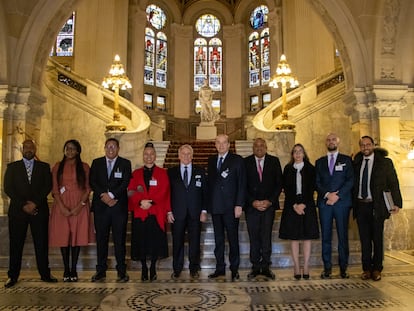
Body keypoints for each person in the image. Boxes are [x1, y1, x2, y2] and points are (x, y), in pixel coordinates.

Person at [4, 139, 57, 288]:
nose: (28, 149)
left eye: (31, 147)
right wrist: (23, 205)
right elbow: (8, 188)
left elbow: (47, 186)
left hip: (38, 210)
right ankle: (13, 276)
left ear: (35, 149)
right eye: (26, 147)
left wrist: (34, 203)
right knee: (16, 244)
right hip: (18, 212)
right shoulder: (12, 167)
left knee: (41, 243)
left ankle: (45, 274)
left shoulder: (44, 167)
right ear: (21, 150)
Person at [353, 135, 402, 281]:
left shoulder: (385, 163)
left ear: (373, 145)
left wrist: (397, 203)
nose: (365, 147)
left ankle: (377, 269)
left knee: (377, 238)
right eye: (362, 145)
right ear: (360, 147)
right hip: (361, 205)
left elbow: (393, 183)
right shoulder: (357, 162)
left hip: (377, 206)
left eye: (368, 144)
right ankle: (366, 269)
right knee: (365, 239)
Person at [49, 139, 92, 282]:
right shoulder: (57, 166)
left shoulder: (84, 167)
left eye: (73, 149)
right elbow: (55, 189)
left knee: (76, 238)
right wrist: (61, 207)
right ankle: (66, 268)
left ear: (78, 151)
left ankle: (74, 268)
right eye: (67, 148)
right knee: (64, 237)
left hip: (79, 205)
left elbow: (88, 188)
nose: (70, 151)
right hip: (61, 205)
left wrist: (79, 206)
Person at [89, 138, 131, 283]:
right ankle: (100, 271)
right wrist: (104, 196)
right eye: (108, 147)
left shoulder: (125, 163)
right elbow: (92, 181)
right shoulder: (96, 162)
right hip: (101, 207)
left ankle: (121, 271)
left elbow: (125, 182)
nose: (111, 149)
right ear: (104, 148)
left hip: (118, 207)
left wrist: (112, 195)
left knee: (120, 241)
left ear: (118, 148)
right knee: (101, 240)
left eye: (113, 147)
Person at [128, 142, 171, 281]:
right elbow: (131, 191)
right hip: (140, 212)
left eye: (151, 154)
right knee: (140, 241)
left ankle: (152, 267)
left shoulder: (162, 173)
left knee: (154, 242)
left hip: (155, 213)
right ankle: (144, 268)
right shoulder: (136, 173)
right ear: (143, 156)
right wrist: (140, 201)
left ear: (155, 156)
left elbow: (164, 191)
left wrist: (150, 202)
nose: (149, 156)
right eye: (146, 154)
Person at [207, 134, 246, 281]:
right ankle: (220, 268)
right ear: (215, 145)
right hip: (216, 207)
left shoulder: (237, 160)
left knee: (233, 239)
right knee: (218, 240)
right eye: (218, 143)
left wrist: (239, 204)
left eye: (224, 143)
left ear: (229, 145)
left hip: (231, 208)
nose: (221, 145)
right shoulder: (211, 161)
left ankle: (234, 269)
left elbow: (242, 184)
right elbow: (210, 185)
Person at [315, 133, 354, 279]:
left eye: (333, 139)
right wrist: (327, 195)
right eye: (328, 140)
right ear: (326, 142)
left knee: (343, 236)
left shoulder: (346, 160)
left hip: (341, 204)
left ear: (338, 141)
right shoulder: (320, 162)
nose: (331, 142)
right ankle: (327, 268)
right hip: (325, 204)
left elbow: (350, 181)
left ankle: (343, 268)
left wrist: (337, 196)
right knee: (326, 236)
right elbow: (317, 182)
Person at [279, 143, 319, 280]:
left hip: (307, 204)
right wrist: (295, 205)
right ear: (292, 154)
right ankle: (296, 266)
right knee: (294, 237)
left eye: (300, 151)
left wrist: (303, 205)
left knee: (307, 237)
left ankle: (306, 266)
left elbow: (312, 188)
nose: (297, 154)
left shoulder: (310, 169)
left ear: (304, 153)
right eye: (295, 151)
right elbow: (286, 189)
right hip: (292, 205)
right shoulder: (288, 169)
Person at [168, 144, 208, 279]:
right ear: (179, 156)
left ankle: (194, 268)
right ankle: (177, 268)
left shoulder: (200, 171)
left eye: (188, 154)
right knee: (177, 241)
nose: (186, 156)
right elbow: (167, 194)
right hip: (177, 213)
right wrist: (169, 211)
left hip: (195, 213)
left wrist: (203, 210)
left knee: (195, 242)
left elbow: (204, 193)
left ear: (192, 155)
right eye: (183, 154)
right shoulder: (171, 172)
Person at [244, 138, 282, 280]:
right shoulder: (245, 162)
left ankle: (265, 266)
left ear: (266, 147)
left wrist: (270, 201)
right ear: (253, 148)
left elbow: (279, 184)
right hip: (251, 207)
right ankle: (255, 267)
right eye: (256, 145)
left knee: (266, 237)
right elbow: (242, 185)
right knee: (254, 238)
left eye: (262, 145)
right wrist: (252, 202)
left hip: (268, 207)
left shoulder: (274, 161)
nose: (259, 148)